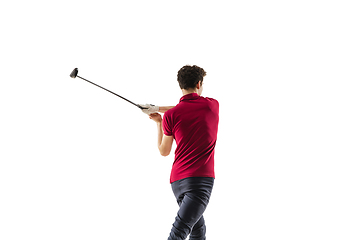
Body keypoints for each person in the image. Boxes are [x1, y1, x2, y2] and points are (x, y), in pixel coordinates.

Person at [140, 65, 219, 240]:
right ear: (199, 84)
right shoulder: (211, 106)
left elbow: (164, 151)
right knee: (179, 232)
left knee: (198, 230)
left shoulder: (171, 115)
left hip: (177, 182)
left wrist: (159, 121)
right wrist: (158, 109)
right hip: (200, 181)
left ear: (180, 85)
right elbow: (188, 107)